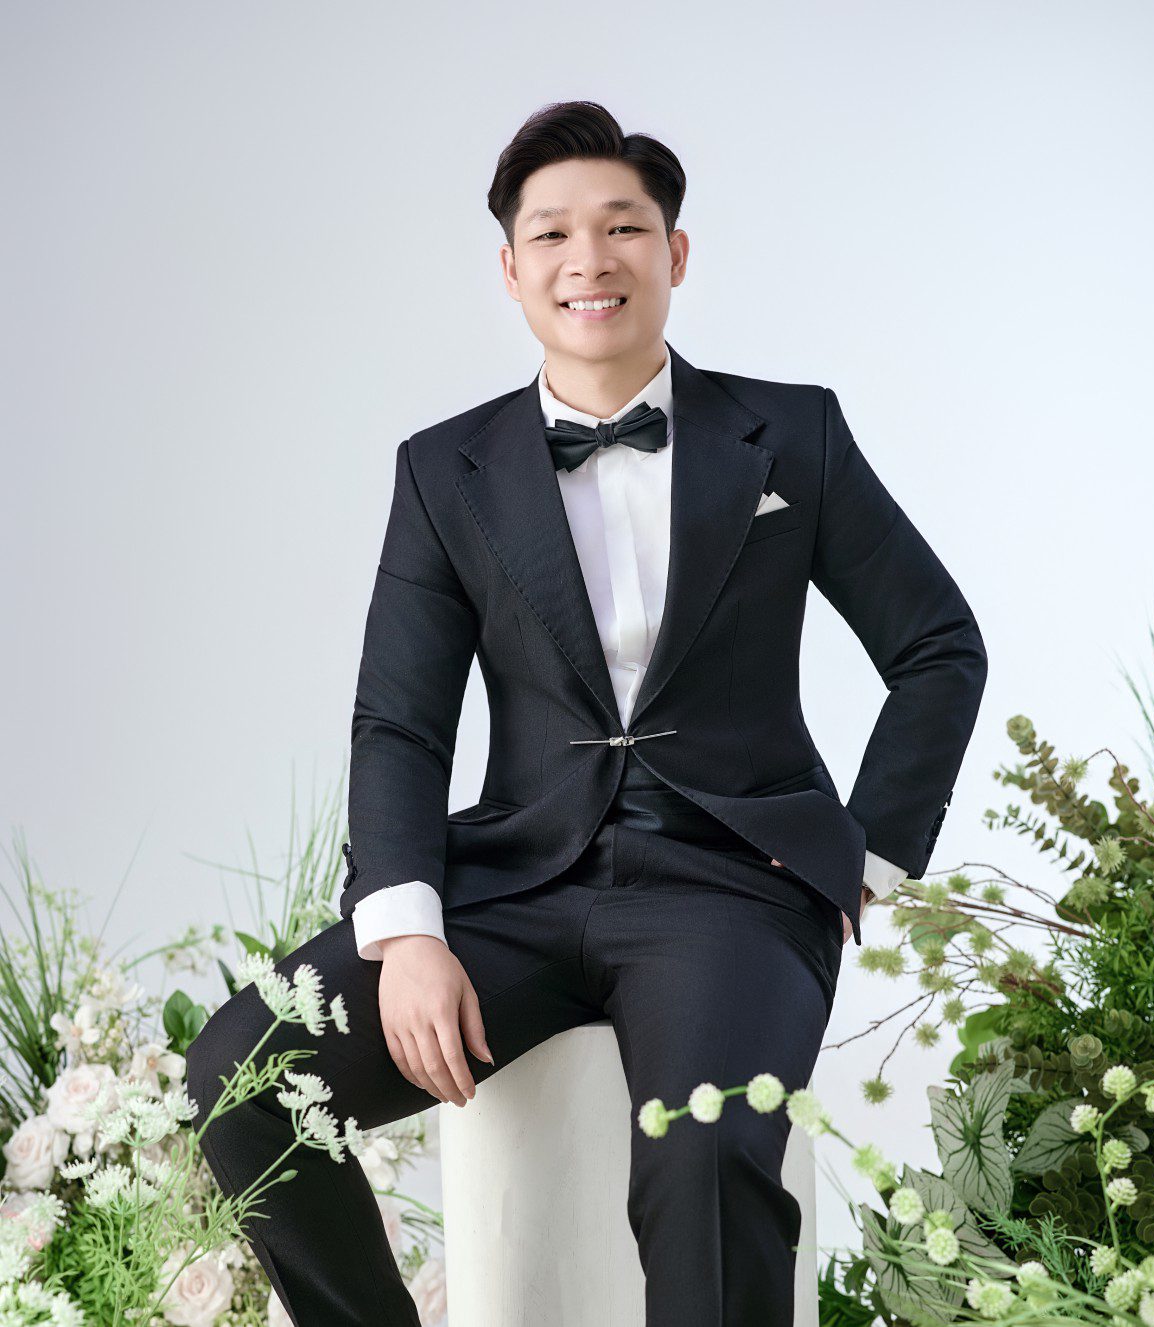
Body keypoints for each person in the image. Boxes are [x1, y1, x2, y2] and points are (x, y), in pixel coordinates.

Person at [186, 98, 988, 1327]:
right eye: (552, 233)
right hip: (516, 880)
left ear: (675, 253)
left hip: (733, 883)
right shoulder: (443, 469)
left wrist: (861, 855)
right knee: (242, 1080)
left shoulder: (793, 434)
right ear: (511, 270)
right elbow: (399, 720)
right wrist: (406, 933)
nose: (588, 259)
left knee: (706, 1159)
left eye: (622, 226)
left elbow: (937, 646)